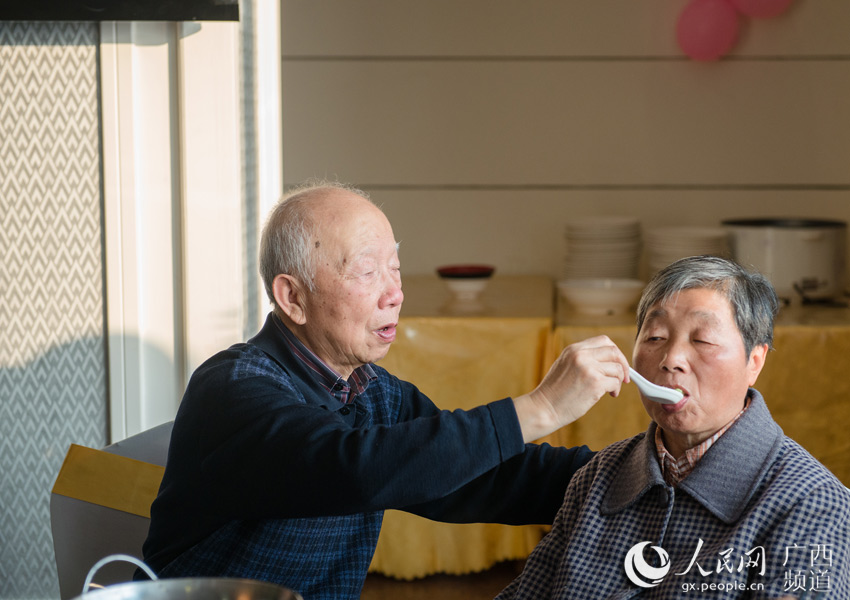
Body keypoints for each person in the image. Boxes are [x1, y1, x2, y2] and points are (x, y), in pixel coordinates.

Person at [140, 181, 632, 600]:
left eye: (395, 268)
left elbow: (483, 475)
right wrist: (542, 407)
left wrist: (638, 473)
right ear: (292, 296)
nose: (394, 293)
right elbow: (352, 468)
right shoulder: (233, 389)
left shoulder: (372, 391)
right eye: (366, 271)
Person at [496, 255, 850, 600]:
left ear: (754, 361)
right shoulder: (598, 476)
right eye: (655, 337)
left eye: (703, 340)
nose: (671, 360)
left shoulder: (813, 504)